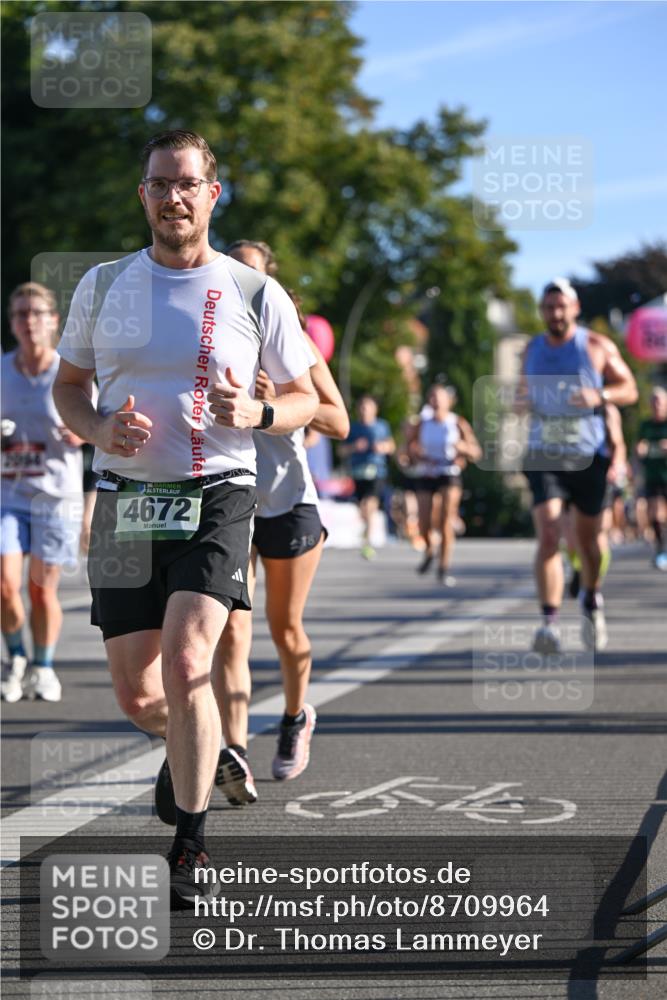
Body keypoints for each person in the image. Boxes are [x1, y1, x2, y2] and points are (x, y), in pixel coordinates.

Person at [52, 130, 318, 907]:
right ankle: (192, 745)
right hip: (128, 497)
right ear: (143, 195)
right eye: (159, 184)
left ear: (213, 194)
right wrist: (98, 429)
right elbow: (68, 387)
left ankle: (190, 846)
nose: (173, 196)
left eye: (188, 183)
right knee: (140, 697)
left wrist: (262, 409)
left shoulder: (253, 291)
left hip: (217, 493)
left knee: (189, 655)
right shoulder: (102, 286)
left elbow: (309, 399)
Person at [208, 239, 348, 806]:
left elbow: (337, 420)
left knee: (283, 628)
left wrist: (278, 405)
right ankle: (236, 751)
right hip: (229, 500)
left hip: (290, 501)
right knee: (229, 631)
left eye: (252, 272)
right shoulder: (208, 336)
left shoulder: (294, 344)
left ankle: (295, 714)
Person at [521, 278, 637, 653]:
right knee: (550, 534)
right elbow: (524, 393)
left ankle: (590, 597)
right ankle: (549, 624)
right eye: (548, 307)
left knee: (589, 544)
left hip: (589, 456)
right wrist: (520, 402)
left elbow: (630, 389)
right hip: (544, 454)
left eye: (560, 306)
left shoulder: (596, 346)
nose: (554, 313)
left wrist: (599, 394)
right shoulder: (531, 349)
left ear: (575, 308)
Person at [1, 282, 86, 703]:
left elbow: (102, 423)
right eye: (20, 314)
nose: (28, 321)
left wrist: (80, 433)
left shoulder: (69, 374)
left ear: (54, 321)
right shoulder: (2, 371)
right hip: (7, 497)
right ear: (12, 322)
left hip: (56, 498)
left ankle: (43, 666)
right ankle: (15, 657)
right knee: (3, 584)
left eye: (37, 313)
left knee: (41, 590)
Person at [407, 383, 481, 585]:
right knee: (423, 521)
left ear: (449, 401)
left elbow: (476, 452)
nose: (436, 401)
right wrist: (415, 453)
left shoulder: (457, 422)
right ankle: (430, 550)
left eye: (440, 398)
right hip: (426, 472)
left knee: (446, 519)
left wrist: (463, 447)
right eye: (432, 397)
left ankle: (444, 566)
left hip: (449, 472)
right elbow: (408, 448)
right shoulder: (421, 424)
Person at [339, 395, 395, 560]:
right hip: (357, 472)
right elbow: (341, 450)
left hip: (377, 471)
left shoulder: (382, 426)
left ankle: (368, 543)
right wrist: (354, 447)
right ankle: (366, 529)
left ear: (374, 409)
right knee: (362, 508)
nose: (364, 410)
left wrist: (382, 447)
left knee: (369, 504)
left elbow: (391, 446)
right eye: (361, 407)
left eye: (367, 407)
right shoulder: (353, 428)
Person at [636, 386, 667, 570]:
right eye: (654, 401)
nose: (657, 405)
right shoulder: (645, 426)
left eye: (660, 401)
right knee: (655, 513)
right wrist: (640, 451)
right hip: (653, 475)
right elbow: (638, 448)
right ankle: (661, 550)